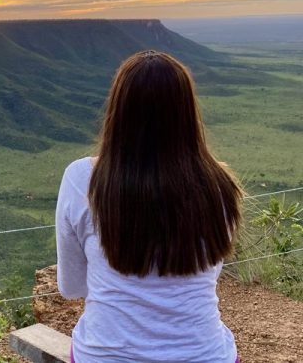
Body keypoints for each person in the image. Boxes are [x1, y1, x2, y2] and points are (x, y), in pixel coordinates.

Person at [56, 50, 243, 363]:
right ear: (186, 112)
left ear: (118, 110)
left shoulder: (81, 180)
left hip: (104, 355)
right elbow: (206, 273)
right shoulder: (220, 184)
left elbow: (71, 287)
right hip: (205, 355)